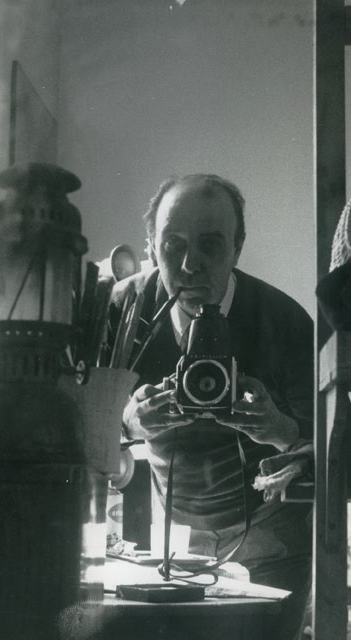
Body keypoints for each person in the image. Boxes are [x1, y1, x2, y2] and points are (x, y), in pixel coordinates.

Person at [108, 174, 313, 640]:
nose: (189, 265)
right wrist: (129, 422)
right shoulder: (124, 310)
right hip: (170, 535)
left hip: (271, 535)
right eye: (173, 244)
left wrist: (280, 429)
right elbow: (86, 425)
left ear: (238, 248)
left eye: (211, 245)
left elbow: (329, 447)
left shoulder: (286, 322)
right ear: (150, 245)